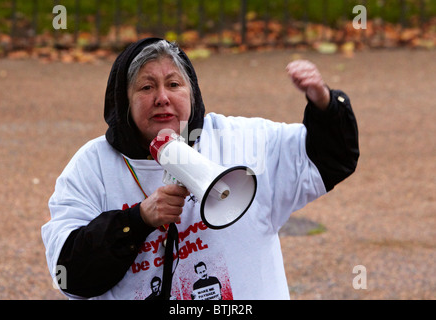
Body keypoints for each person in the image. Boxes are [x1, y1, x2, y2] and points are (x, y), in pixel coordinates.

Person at [41, 38, 359, 300]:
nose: (162, 98)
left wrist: (325, 103)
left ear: (192, 93)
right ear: (123, 102)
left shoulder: (241, 142)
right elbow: (69, 274)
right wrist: (136, 221)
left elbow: (332, 159)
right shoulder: (91, 168)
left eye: (174, 84)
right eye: (146, 88)